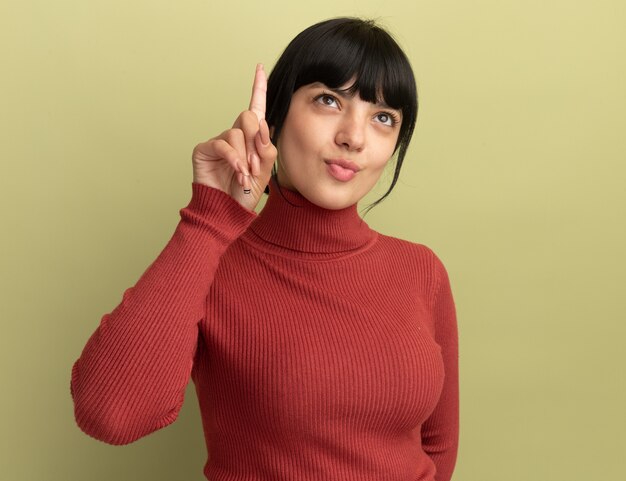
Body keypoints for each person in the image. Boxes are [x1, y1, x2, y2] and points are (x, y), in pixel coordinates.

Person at [70, 17, 459, 481]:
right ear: (274, 117)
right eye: (328, 100)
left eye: (383, 117)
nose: (354, 137)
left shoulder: (421, 270)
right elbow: (110, 414)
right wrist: (211, 216)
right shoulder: (209, 259)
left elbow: (437, 446)